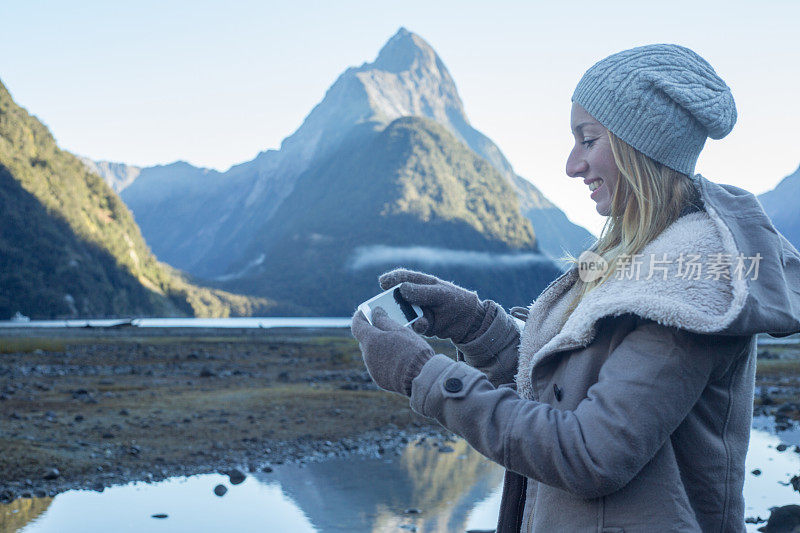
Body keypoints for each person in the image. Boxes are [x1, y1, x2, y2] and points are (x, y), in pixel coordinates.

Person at [350, 43, 800, 532]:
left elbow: (589, 454)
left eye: (588, 140)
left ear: (640, 146)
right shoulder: (642, 261)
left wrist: (424, 375)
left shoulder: (688, 289)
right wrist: (479, 328)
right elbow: (566, 392)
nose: (571, 165)